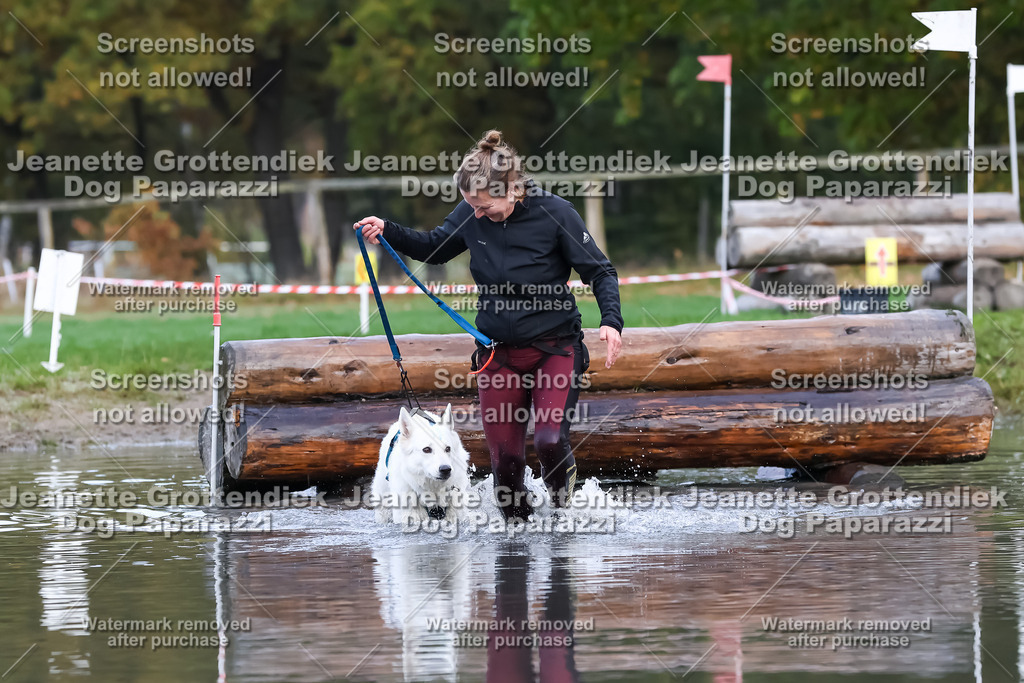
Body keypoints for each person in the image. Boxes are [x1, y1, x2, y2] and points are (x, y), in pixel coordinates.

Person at [354, 129, 623, 521]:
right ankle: (517, 539)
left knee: (549, 440)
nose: (476, 215)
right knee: (506, 467)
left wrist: (611, 321)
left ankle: (566, 516)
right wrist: (388, 230)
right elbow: (435, 246)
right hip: (498, 355)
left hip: (555, 349)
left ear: (513, 188)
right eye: (471, 207)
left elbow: (600, 271)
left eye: (484, 207)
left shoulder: (557, 213)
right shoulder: (472, 211)